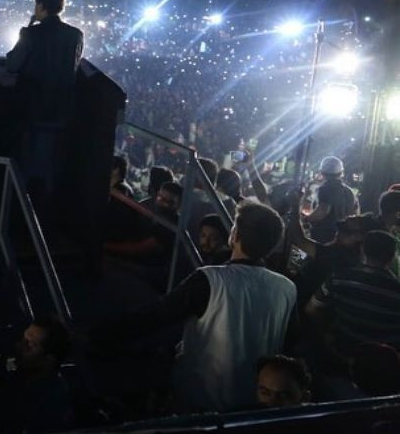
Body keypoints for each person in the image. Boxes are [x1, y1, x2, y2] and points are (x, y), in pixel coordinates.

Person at [93, 201, 297, 413]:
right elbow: (289, 344)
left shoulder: (210, 279)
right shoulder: (287, 288)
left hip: (200, 403)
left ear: (234, 235)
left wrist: (97, 336)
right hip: (255, 405)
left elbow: (155, 316)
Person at [306, 230, 400, 358]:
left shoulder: (340, 279)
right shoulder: (396, 290)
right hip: (382, 365)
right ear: (391, 257)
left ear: (362, 250)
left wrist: (325, 334)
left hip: (341, 355)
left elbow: (311, 309)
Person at [3, 0, 84, 124]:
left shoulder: (30, 33)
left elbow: (12, 65)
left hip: (33, 109)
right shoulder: (76, 34)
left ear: (40, 5)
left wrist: (28, 28)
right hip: (63, 109)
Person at [0, 316, 73, 433]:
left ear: (48, 361)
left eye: (30, 345)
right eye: (23, 339)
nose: (19, 346)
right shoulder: (16, 378)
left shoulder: (51, 400)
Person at [305, 156, 358, 244]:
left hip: (323, 236)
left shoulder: (324, 189)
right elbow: (355, 213)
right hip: (342, 237)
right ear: (341, 173)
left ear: (322, 172)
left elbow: (323, 210)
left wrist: (306, 220)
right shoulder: (349, 191)